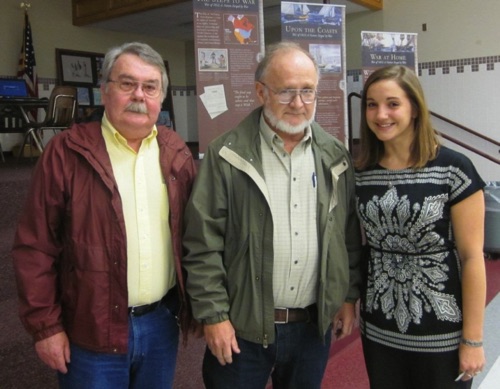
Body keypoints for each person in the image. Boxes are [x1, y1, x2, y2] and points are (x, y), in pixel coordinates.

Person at [12, 42, 197, 388]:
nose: (139, 95)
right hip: (90, 326)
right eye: (127, 84)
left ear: (161, 97)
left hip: (160, 323)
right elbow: (35, 248)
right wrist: (45, 329)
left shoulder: (176, 153)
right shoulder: (66, 153)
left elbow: (195, 238)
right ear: (104, 91)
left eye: (150, 86)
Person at [182, 41, 362, 388]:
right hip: (241, 330)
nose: (298, 104)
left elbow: (348, 234)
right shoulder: (227, 155)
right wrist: (214, 316)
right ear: (261, 92)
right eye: (286, 92)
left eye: (307, 91)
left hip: (312, 328)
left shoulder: (334, 155)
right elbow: (202, 245)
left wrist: (348, 296)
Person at [355, 65, 486, 389]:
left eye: (393, 103)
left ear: (415, 108)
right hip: (380, 326)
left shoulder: (453, 169)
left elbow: (472, 258)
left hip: (441, 330)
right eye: (372, 104)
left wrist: (473, 339)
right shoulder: (362, 172)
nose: (381, 114)